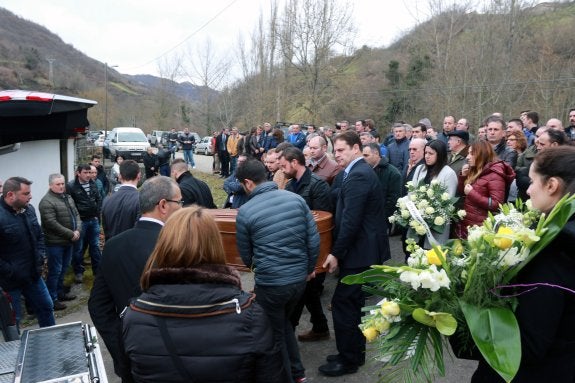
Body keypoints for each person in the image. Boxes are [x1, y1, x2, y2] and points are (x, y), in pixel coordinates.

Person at [122, 207, 283, 382]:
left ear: (163, 245)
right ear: (216, 244)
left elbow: (130, 373)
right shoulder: (250, 315)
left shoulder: (135, 316)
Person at [471, 145, 575, 382]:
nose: (527, 191)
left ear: (551, 185)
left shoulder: (556, 252)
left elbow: (526, 345)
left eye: (532, 181)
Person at [89, 176, 182, 382]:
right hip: (173, 359)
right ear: (164, 205)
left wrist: (122, 346)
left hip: (132, 358)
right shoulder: (176, 245)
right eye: (180, 202)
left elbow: (98, 306)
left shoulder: (113, 245)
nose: (182, 208)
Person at [236, 159, 320, 383]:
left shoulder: (245, 211)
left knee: (275, 334)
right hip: (298, 281)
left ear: (248, 183)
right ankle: (298, 372)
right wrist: (308, 269)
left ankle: (288, 377)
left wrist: (260, 269)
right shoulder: (296, 200)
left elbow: (246, 256)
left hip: (271, 284)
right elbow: (313, 241)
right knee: (282, 324)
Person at [320, 131, 391, 377]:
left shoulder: (359, 174)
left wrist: (336, 253)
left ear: (356, 148)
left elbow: (351, 220)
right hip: (361, 250)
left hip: (361, 253)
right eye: (335, 150)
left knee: (344, 304)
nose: (336, 155)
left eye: (341, 150)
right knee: (353, 304)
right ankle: (353, 353)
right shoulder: (354, 172)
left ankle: (348, 360)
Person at [0, 177, 55, 327]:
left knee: (46, 307)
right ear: (10, 195)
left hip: (33, 275)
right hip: (11, 282)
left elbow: (39, 236)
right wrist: (11, 271)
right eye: (26, 193)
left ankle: (50, 339)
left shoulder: (29, 209)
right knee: (12, 321)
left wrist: (41, 255)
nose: (30, 196)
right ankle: (14, 349)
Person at [455, 140, 515, 239]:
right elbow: (463, 193)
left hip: (481, 228)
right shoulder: (475, 169)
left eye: (471, 154)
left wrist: (472, 193)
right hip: (468, 224)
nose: (467, 157)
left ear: (481, 154)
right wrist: (463, 177)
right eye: (468, 153)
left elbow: (496, 204)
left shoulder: (495, 175)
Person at [39, 173, 81, 311]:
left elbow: (76, 214)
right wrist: (71, 233)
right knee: (55, 271)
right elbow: (51, 223)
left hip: (69, 241)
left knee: (64, 268)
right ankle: (52, 299)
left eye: (63, 183)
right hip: (55, 243)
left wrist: (78, 230)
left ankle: (59, 293)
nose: (61, 186)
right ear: (50, 185)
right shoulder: (46, 202)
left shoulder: (67, 197)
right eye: (58, 184)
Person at [410, 140, 458, 247]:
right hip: (417, 222)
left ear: (440, 155)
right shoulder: (420, 169)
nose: (427, 156)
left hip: (436, 226)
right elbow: (411, 192)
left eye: (431, 154)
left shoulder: (448, 173)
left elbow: (448, 202)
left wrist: (429, 215)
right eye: (425, 153)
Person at [67, 164, 102, 282]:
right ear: (78, 173)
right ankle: (78, 271)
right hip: (80, 222)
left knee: (95, 246)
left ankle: (97, 272)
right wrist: (76, 221)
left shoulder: (93, 183)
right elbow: (69, 206)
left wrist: (97, 214)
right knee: (78, 248)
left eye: (89, 172)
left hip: (93, 220)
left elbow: (98, 199)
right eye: (85, 173)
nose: (88, 175)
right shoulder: (71, 186)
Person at [101, 160, 141, 240]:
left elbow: (106, 230)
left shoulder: (107, 200)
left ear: (119, 176)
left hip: (112, 248)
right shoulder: (141, 200)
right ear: (139, 176)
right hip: (132, 248)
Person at [362, 142, 402, 221]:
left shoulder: (393, 173)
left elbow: (393, 201)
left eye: (366, 155)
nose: (363, 158)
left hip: (381, 219)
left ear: (376, 154)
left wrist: (380, 217)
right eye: (362, 156)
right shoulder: (364, 170)